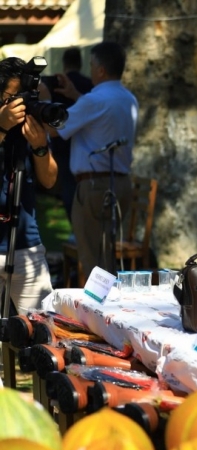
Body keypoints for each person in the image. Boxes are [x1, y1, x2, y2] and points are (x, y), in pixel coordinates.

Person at [45, 41, 138, 283]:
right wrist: (76, 94)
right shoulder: (129, 98)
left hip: (94, 187)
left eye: (92, 64)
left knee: (93, 262)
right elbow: (98, 113)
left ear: (101, 71)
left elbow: (55, 129)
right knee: (107, 257)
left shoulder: (94, 101)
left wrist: (42, 102)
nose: (90, 68)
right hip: (121, 183)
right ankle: (111, 312)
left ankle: (99, 315)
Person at [0, 57, 58, 313]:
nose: (21, 105)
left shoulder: (29, 126)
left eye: (26, 97)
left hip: (26, 245)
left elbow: (49, 179)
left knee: (40, 336)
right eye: (14, 96)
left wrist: (39, 147)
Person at [44, 47, 93, 222]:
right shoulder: (88, 85)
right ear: (80, 63)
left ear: (64, 64)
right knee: (80, 188)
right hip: (84, 143)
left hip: (62, 143)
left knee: (67, 187)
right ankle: (78, 226)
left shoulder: (57, 85)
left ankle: (76, 226)